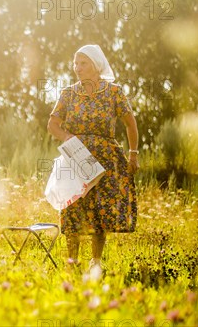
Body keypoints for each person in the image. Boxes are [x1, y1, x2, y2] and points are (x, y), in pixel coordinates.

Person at [47, 44, 139, 276]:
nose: (77, 68)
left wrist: (133, 153)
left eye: (83, 63)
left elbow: (130, 123)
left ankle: (95, 262)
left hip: (106, 157)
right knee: (73, 207)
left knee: (100, 210)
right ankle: (72, 262)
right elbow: (52, 125)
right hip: (76, 156)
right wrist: (69, 139)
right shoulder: (68, 93)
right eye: (75, 63)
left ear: (96, 65)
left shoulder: (114, 92)